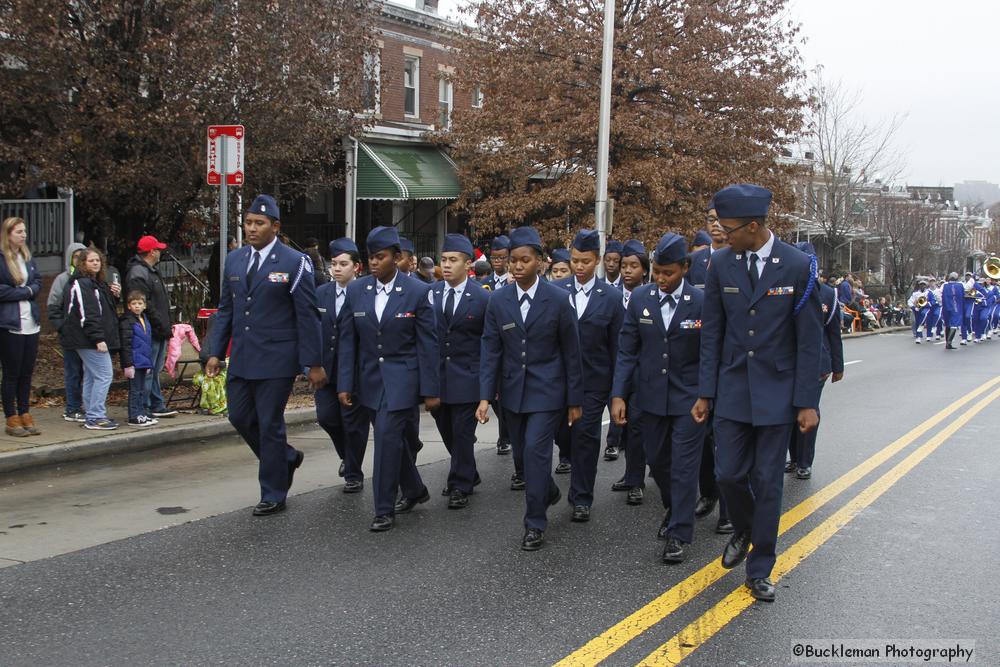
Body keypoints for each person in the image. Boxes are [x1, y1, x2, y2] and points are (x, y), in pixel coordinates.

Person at [692, 184, 822, 602]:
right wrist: (704, 392)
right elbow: (712, 332)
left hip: (778, 392)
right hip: (731, 388)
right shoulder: (721, 264)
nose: (721, 235)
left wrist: (807, 402)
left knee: (768, 482)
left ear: (753, 226)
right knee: (728, 473)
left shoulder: (798, 265)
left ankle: (761, 566)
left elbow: (809, 340)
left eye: (728, 229)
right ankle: (746, 528)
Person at [205, 194, 327, 516]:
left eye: (259, 223)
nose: (252, 229)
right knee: (239, 416)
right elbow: (226, 309)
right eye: (248, 223)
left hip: (277, 358)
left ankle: (273, 491)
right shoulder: (234, 259)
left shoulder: (294, 262)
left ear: (275, 226)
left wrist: (313, 362)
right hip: (243, 356)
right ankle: (285, 457)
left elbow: (307, 314)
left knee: (269, 422)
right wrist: (215, 352)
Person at [477, 226, 584, 551]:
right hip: (512, 392)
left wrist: (574, 399)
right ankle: (547, 490)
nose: (518, 266)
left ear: (540, 262)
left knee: (537, 453)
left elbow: (571, 352)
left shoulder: (558, 299)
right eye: (514, 261)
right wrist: (484, 397)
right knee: (523, 456)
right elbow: (490, 349)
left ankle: (534, 523)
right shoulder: (498, 300)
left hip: (547, 391)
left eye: (525, 260)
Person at [337, 226, 440, 532]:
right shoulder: (356, 291)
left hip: (402, 380)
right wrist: (344, 383)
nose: (374, 262)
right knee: (392, 440)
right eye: (370, 257)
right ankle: (414, 489)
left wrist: (431, 390)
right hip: (369, 380)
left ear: (397, 258)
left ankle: (383, 509)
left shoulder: (418, 292)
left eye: (380, 257)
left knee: (385, 439)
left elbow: (428, 344)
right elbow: (347, 340)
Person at [613, 232, 706, 563]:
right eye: (657, 272)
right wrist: (619, 395)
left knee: (683, 466)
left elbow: (710, 353)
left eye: (669, 272)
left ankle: (679, 532)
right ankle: (674, 507)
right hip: (650, 397)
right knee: (658, 462)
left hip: (689, 399)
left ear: (684, 267)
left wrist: (706, 395)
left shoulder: (701, 301)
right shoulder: (640, 299)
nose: (662, 279)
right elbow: (627, 350)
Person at [553, 229, 623, 522]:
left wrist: (617, 389)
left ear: (597, 260)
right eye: (574, 261)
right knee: (561, 434)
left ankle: (581, 497)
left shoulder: (611, 297)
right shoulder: (557, 292)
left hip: (594, 381)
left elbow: (619, 346)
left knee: (586, 436)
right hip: (558, 380)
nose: (578, 267)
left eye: (585, 261)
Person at [429, 234, 489, 509]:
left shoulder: (482, 297)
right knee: (447, 433)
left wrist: (488, 386)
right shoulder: (431, 293)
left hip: (469, 377)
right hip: (439, 378)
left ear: (468, 265)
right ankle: (469, 471)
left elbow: (489, 342)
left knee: (463, 433)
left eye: (454, 260)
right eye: (444, 260)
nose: (448, 265)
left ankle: (460, 484)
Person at [687, 202, 732, 531]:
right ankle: (708, 492)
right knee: (702, 436)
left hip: (730, 360)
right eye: (710, 221)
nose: (715, 226)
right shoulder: (695, 263)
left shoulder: (740, 261)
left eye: (721, 221)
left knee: (727, 437)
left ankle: (730, 510)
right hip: (697, 357)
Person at [314, 238, 370, 494]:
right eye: (333, 263)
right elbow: (313, 330)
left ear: (356, 267)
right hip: (327, 370)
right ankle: (346, 456)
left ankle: (354, 473)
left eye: (343, 264)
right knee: (327, 417)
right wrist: (310, 366)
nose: (336, 269)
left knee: (354, 424)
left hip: (357, 371)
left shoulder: (364, 293)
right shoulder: (321, 293)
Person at [786, 242, 844, 479]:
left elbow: (833, 332)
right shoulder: (786, 288)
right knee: (787, 413)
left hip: (817, 363)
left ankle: (804, 461)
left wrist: (838, 366)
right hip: (788, 361)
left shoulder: (828, 293)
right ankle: (794, 456)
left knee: (809, 410)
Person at [61, 248, 122, 430]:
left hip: (91, 337)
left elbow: (105, 310)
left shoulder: (98, 283)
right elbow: (88, 314)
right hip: (87, 338)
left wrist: (113, 295)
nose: (95, 263)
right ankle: (96, 416)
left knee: (91, 376)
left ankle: (91, 413)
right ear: (82, 264)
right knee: (104, 374)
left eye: (97, 260)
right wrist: (98, 338)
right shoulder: (82, 283)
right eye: (91, 261)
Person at [124, 235, 178, 418]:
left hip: (156, 327)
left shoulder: (149, 271)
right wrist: (159, 326)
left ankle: (155, 403)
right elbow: (145, 304)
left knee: (154, 369)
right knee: (148, 369)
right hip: (148, 329)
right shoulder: (140, 272)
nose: (160, 252)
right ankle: (144, 407)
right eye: (158, 249)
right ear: (151, 251)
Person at [0, 217, 43, 437]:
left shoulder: (27, 257)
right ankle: (11, 416)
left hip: (31, 322)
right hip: (10, 323)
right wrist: (25, 292)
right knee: (12, 372)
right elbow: (2, 291)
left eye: (24, 231)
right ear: (8, 234)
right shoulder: (2, 259)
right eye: (18, 231)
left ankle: (25, 412)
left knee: (26, 372)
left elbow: (38, 282)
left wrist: (28, 290)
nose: (23, 235)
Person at [48, 243, 89, 422]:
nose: (79, 260)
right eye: (76, 257)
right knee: (73, 371)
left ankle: (86, 405)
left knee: (87, 372)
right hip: (71, 334)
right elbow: (53, 306)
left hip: (88, 334)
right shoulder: (63, 279)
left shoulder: (91, 278)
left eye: (82, 257)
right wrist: (63, 327)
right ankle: (72, 407)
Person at [486, 234, 512, 455]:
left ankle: (505, 436)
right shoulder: (485, 283)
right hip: (493, 343)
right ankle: (506, 433)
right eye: (494, 257)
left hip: (511, 345)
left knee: (506, 394)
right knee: (494, 395)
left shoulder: (516, 281)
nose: (498, 261)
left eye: (502, 257)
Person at [118, 291, 158, 427]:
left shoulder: (144, 319)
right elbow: (126, 344)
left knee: (142, 389)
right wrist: (128, 364)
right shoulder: (127, 321)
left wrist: (148, 362)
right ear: (128, 306)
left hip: (143, 361)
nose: (137, 306)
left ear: (144, 306)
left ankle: (141, 413)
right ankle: (134, 416)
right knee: (135, 390)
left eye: (140, 303)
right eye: (134, 304)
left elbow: (146, 343)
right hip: (134, 362)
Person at [688, 205, 727, 289]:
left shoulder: (741, 257)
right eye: (711, 220)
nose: (715, 224)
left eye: (720, 219)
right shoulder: (693, 260)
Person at [907, 279, 933, 344]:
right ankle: (918, 336)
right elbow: (910, 301)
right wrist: (913, 307)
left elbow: (933, 301)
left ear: (926, 286)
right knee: (918, 322)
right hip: (917, 310)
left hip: (926, 309)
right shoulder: (915, 293)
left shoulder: (929, 293)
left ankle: (929, 335)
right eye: (921, 285)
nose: (922, 286)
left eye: (924, 285)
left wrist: (926, 304)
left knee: (925, 320)